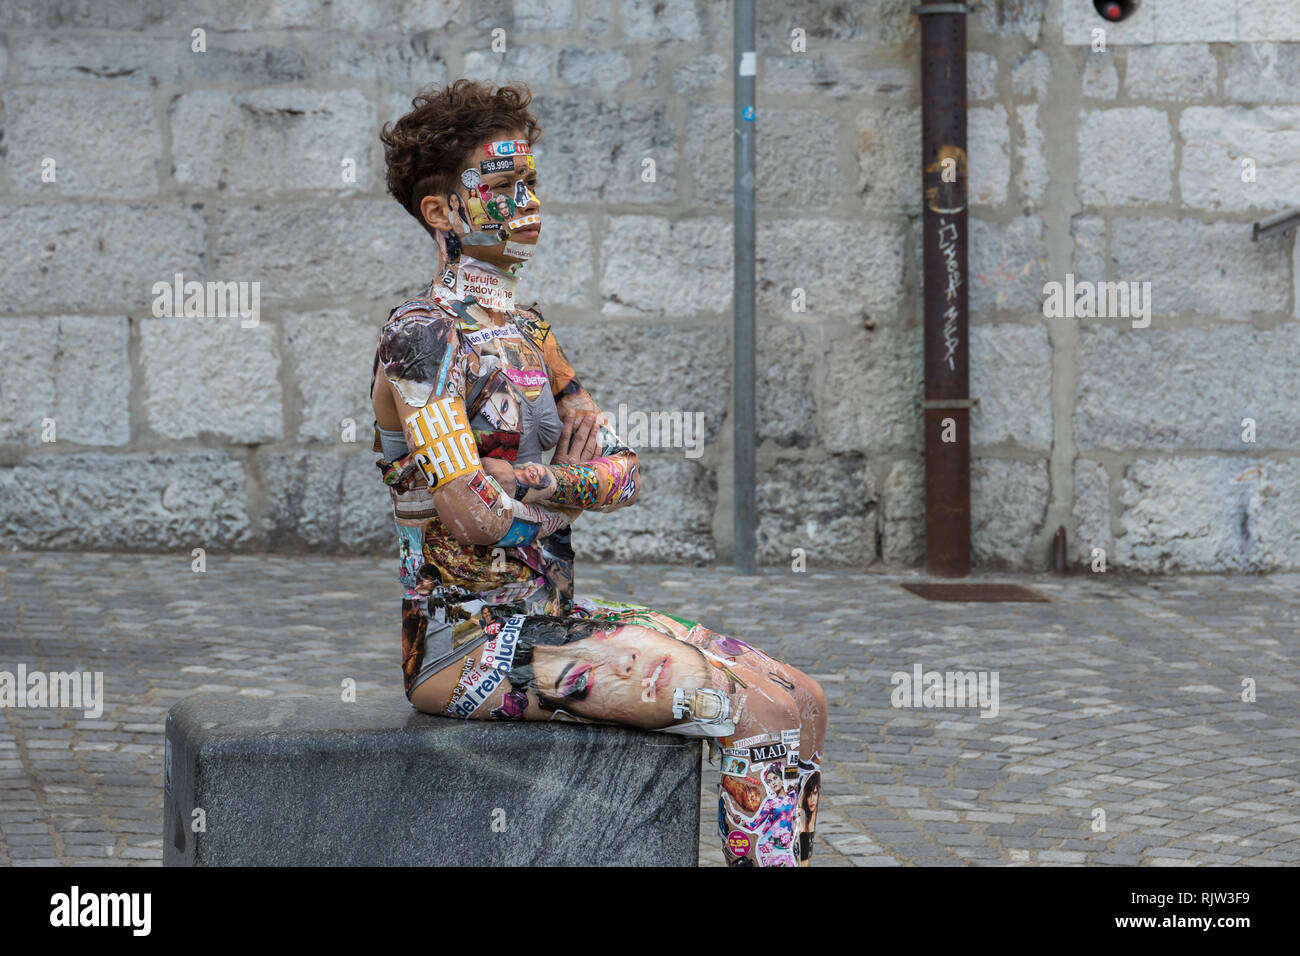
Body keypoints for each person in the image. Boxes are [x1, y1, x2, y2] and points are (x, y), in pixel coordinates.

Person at [370, 79, 828, 867]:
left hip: (547, 608)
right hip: (464, 642)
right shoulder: (421, 339)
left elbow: (623, 473)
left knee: (801, 697)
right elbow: (472, 520)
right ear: (441, 211)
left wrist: (532, 486)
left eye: (533, 186)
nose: (528, 207)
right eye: (505, 189)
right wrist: (558, 490)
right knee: (750, 708)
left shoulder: (526, 329)